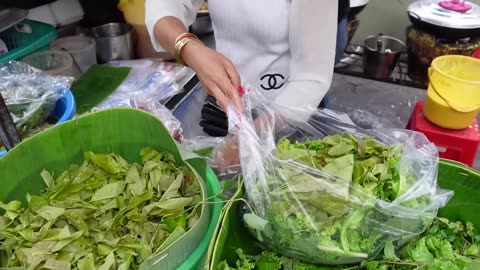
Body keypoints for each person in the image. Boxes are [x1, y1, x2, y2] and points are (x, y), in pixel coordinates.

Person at [145, 0, 349, 117]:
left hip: (289, 110)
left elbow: (311, 78)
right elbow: (164, 7)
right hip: (230, 107)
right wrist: (190, 48)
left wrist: (255, 138)